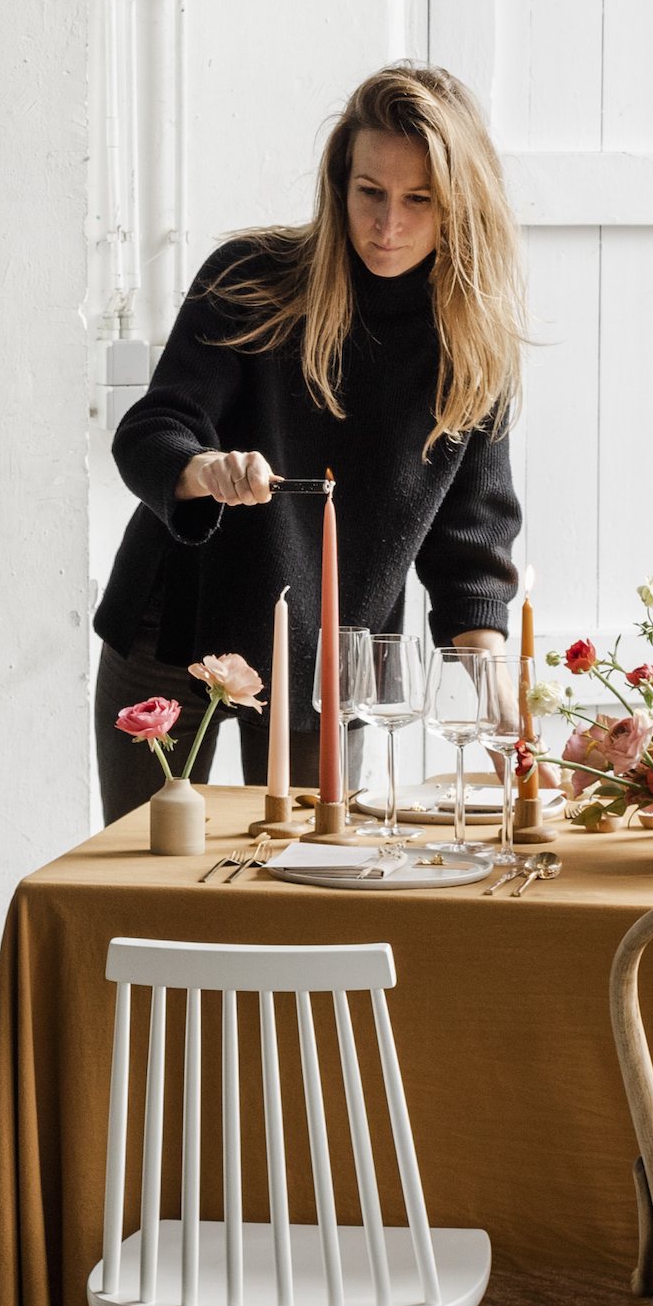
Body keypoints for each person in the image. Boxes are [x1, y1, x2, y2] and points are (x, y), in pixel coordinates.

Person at [93, 65, 526, 820]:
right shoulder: (252, 280)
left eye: (419, 200)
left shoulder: (471, 349)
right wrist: (204, 468)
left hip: (327, 664)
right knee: (145, 874)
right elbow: (151, 431)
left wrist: (498, 704)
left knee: (306, 879)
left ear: (461, 204)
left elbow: (470, 552)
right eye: (370, 192)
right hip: (175, 629)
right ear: (339, 183)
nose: (387, 225)